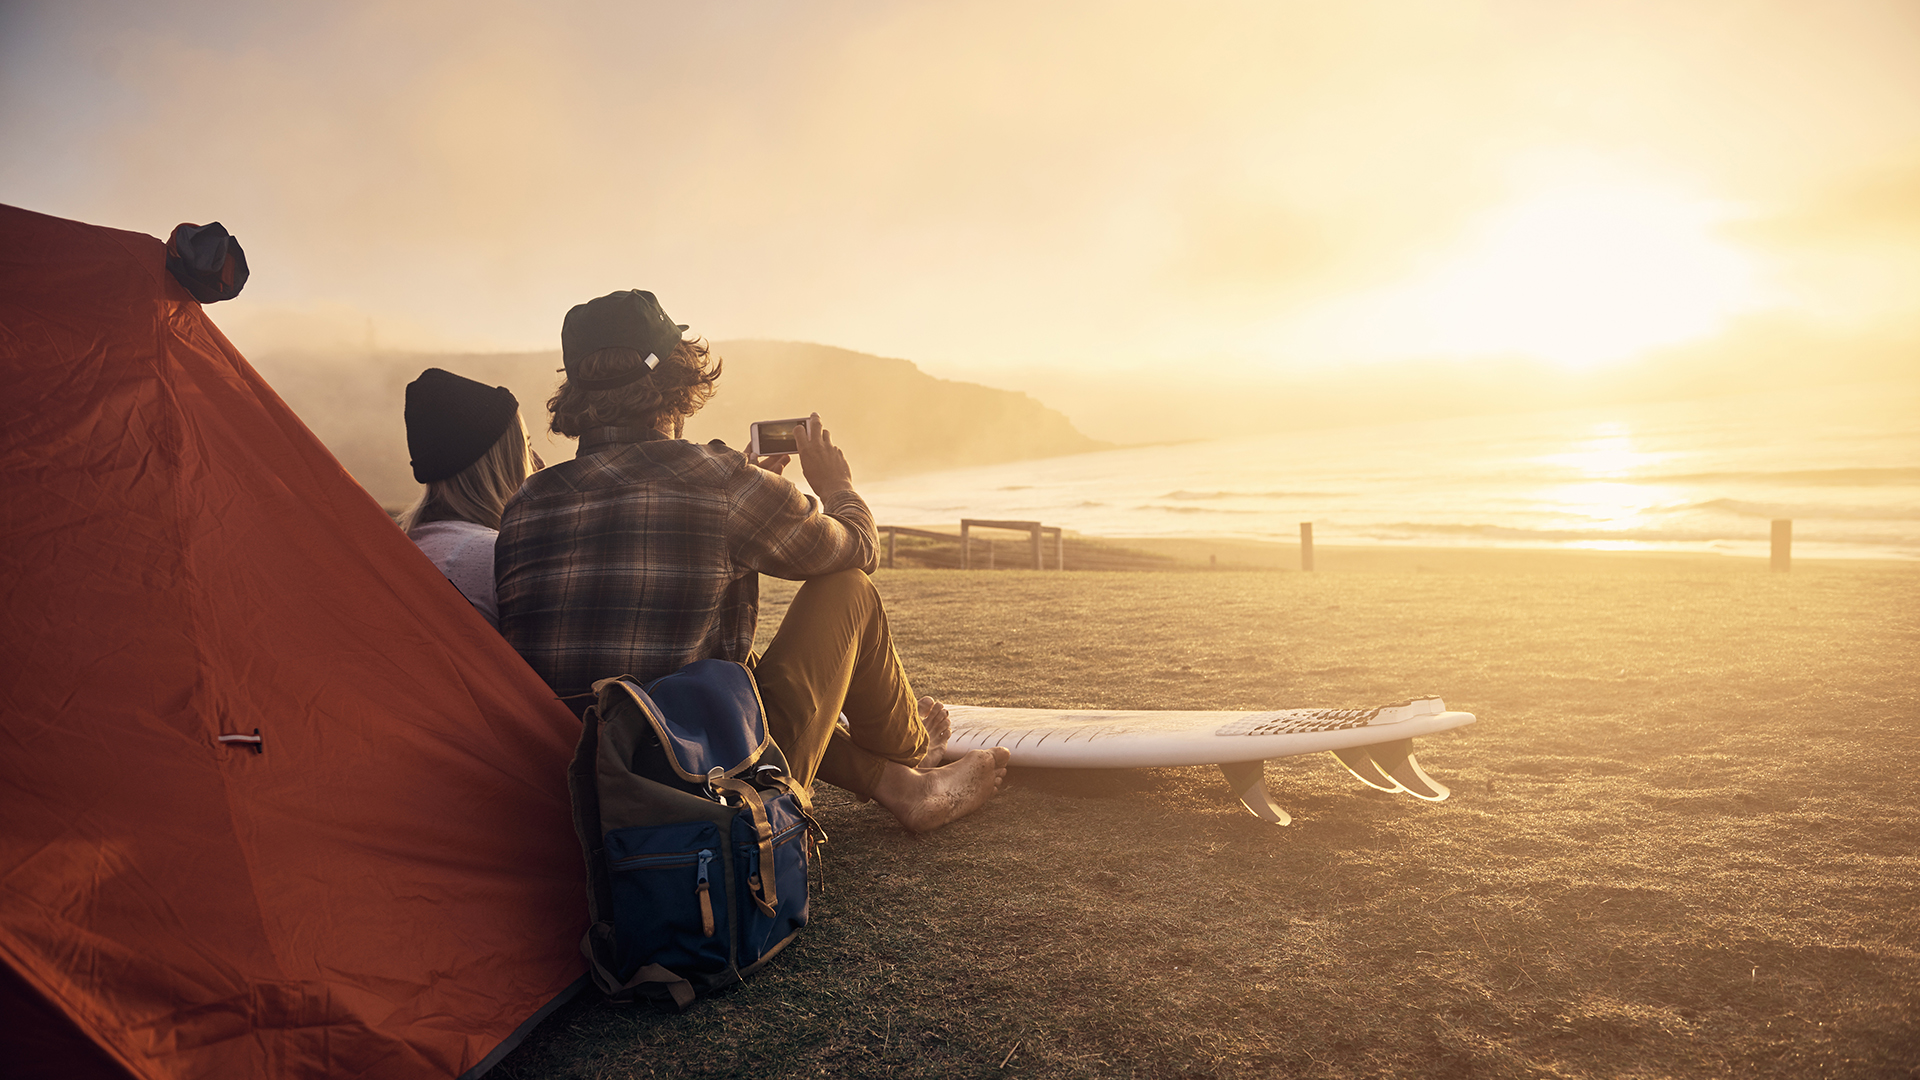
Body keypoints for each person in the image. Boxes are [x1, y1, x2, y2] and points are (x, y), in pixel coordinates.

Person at [495, 290, 1009, 833]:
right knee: (847, 588)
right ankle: (912, 750)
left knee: (726, 661)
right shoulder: (719, 481)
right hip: (714, 793)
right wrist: (837, 486)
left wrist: (744, 492)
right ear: (679, 378)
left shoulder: (526, 503)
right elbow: (859, 546)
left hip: (577, 799)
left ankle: (898, 786)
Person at [399, 368, 538, 628]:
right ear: (497, 465)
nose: (538, 463)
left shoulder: (409, 547)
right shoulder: (497, 557)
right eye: (525, 448)